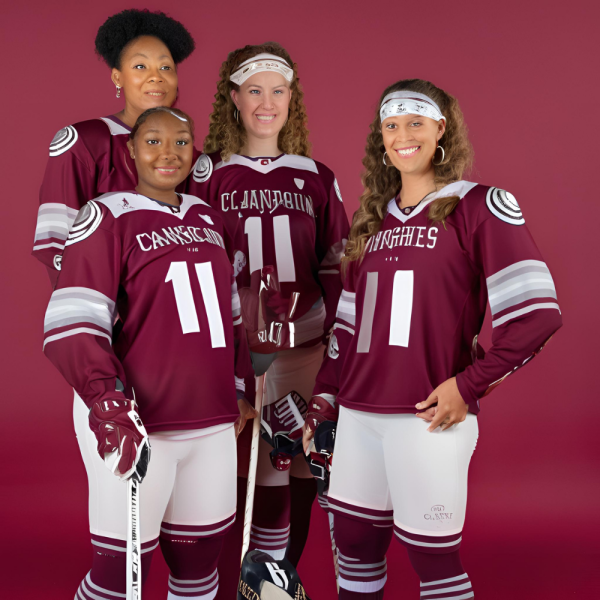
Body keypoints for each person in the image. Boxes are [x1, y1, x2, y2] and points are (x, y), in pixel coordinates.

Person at [303, 79, 563, 599]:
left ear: (441, 128)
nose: (403, 135)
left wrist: (468, 386)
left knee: (434, 562)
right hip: (358, 418)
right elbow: (347, 331)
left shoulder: (480, 206)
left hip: (425, 416)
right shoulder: (370, 221)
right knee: (353, 551)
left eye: (416, 122)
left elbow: (538, 315)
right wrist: (325, 402)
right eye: (392, 125)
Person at [42, 107, 256, 599]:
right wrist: (107, 403)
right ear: (131, 150)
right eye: (154, 141)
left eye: (182, 142)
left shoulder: (207, 216)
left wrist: (240, 385)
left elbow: (230, 317)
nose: (169, 152)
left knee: (200, 565)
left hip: (212, 420)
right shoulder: (105, 215)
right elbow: (72, 324)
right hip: (138, 420)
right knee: (120, 576)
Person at [187, 42, 349, 593]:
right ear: (233, 98)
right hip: (234, 348)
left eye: (278, 91)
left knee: (296, 462)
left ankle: (278, 579)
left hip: (302, 346)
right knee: (239, 466)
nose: (266, 102)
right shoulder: (206, 173)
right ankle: (235, 579)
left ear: (291, 100)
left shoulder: (316, 176)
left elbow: (336, 262)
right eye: (254, 90)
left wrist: (338, 345)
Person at [32, 9, 195, 285]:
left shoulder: (189, 155)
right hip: (114, 316)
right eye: (141, 66)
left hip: (181, 312)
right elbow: (58, 247)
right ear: (118, 77)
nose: (156, 77)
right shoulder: (85, 142)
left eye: (165, 67)